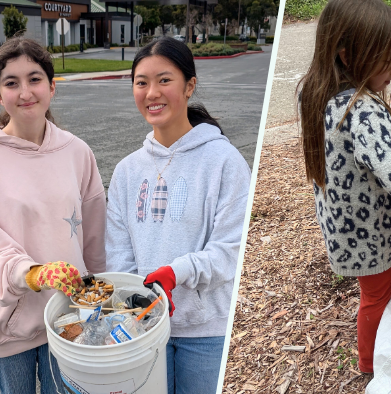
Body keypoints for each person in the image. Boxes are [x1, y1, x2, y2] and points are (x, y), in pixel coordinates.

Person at [296, 0, 391, 374]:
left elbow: (347, 149)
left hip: (341, 222)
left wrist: (384, 147)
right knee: (376, 296)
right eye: (387, 60)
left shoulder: (316, 91)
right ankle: (371, 366)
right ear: (348, 55)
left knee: (374, 290)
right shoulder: (363, 108)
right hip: (368, 230)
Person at [105, 37, 250, 394]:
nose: (152, 93)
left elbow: (231, 250)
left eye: (164, 80)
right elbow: (119, 253)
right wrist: (131, 309)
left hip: (206, 332)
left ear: (189, 86)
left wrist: (177, 272)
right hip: (142, 328)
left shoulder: (224, 162)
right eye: (141, 82)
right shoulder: (126, 171)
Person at [0, 37, 105, 394]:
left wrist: (97, 296)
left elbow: (94, 237)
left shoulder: (77, 152)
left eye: (35, 79)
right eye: (11, 83)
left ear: (52, 87)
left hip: (67, 315)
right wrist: (33, 273)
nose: (25, 92)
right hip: (8, 324)